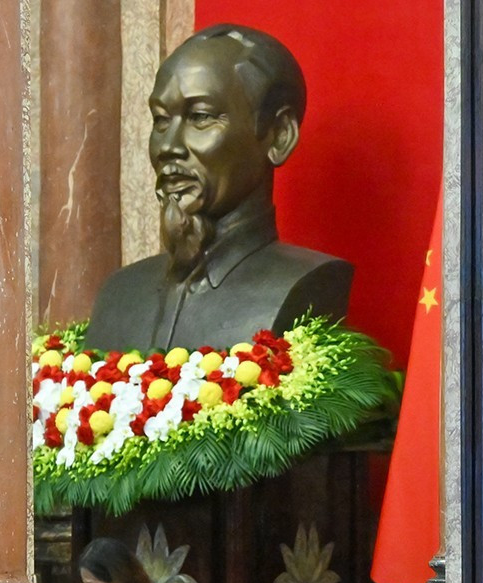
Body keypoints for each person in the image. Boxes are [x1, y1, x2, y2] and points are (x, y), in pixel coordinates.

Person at [86, 24, 353, 352]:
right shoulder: (120, 292)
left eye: (200, 117)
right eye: (160, 120)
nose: (168, 146)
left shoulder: (307, 284)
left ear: (279, 135)